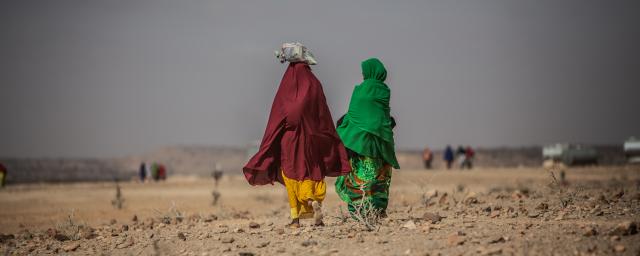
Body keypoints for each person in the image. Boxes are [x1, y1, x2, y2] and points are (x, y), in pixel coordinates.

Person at [244, 44, 351, 228]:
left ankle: (295, 219)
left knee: (292, 175)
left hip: (290, 140)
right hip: (313, 139)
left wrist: (271, 138)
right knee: (312, 172)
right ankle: (314, 201)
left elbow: (279, 115)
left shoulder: (287, 85)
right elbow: (323, 114)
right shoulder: (314, 83)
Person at [335, 58, 400, 218]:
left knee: (360, 176)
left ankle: (360, 211)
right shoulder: (385, 91)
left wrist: (343, 129)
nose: (363, 74)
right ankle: (377, 210)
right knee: (378, 176)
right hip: (379, 144)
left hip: (360, 143)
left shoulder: (360, 90)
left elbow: (353, 116)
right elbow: (380, 118)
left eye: (364, 71)